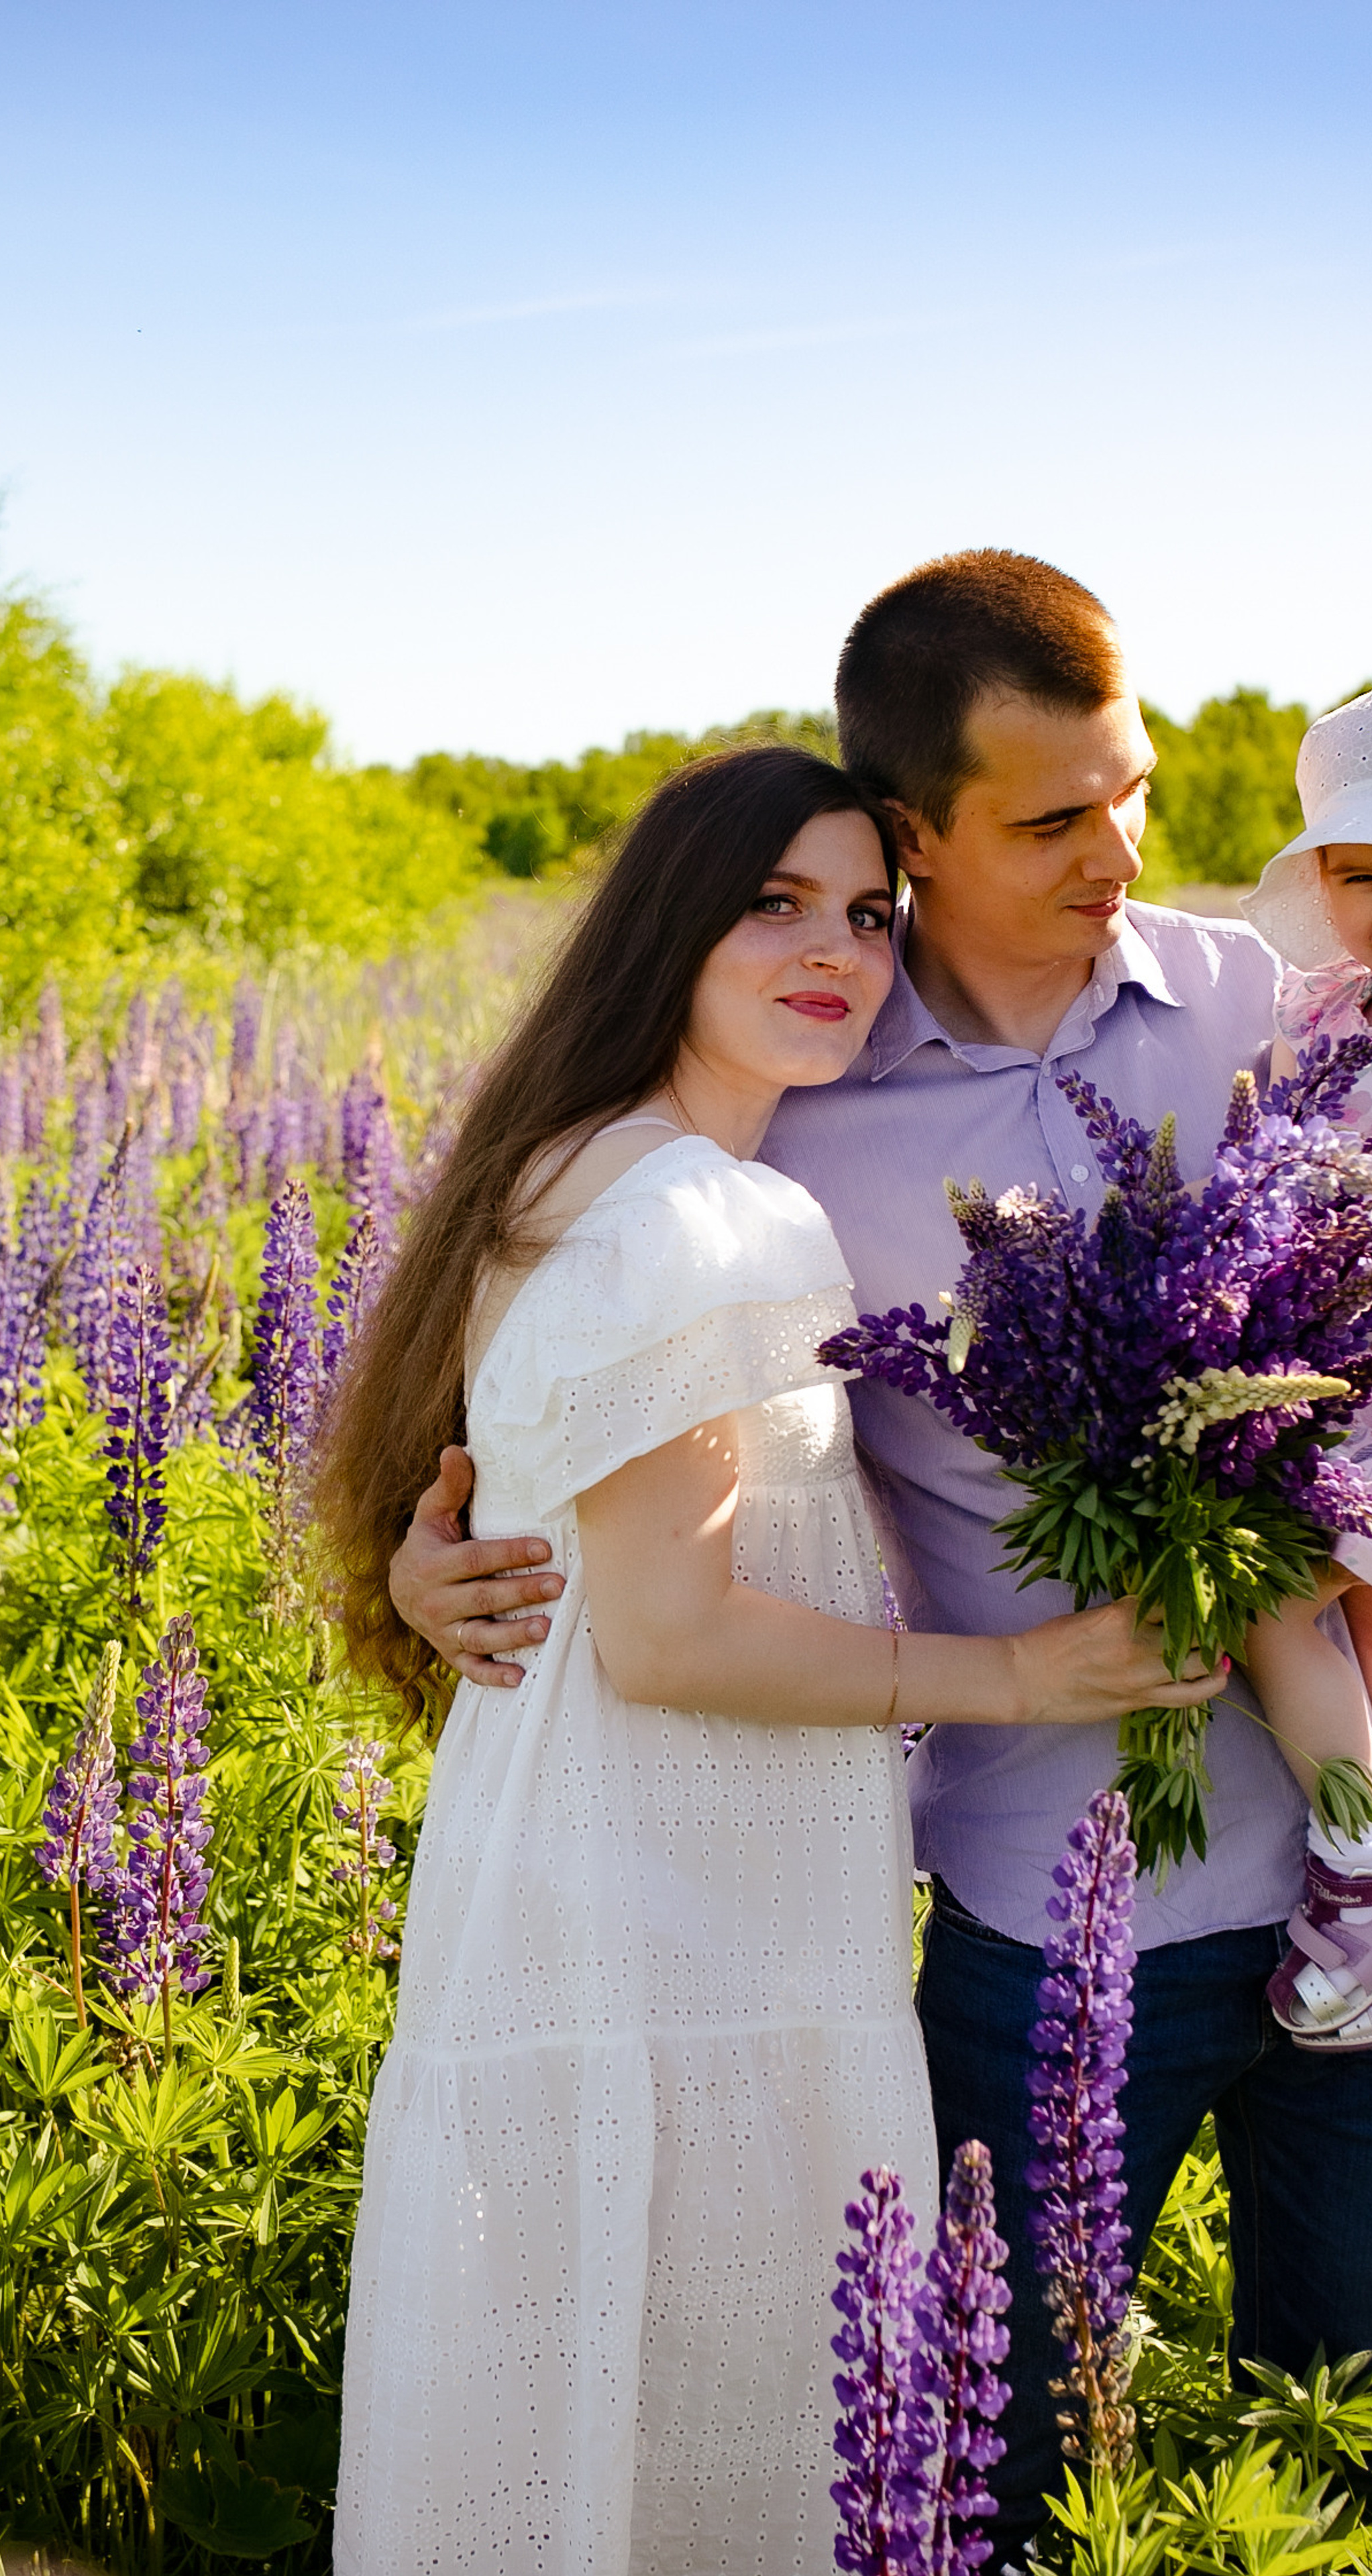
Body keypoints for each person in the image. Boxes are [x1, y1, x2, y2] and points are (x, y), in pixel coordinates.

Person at [391, 554, 1372, 2556]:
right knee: (986, 2485)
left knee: (1341, 2458)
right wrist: (432, 1563)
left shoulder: (1262, 1012)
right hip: (1032, 1903)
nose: (1118, 846)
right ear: (918, 831)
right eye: (1050, 816)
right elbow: (589, 1365)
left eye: (1134, 789)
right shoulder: (789, 1097)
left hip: (1348, 1864)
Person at [317, 743, 1208, 2576]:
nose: (837, 951)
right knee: (721, 2433)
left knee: (596, 2425)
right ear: (672, 924)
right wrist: (1025, 1678)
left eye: (871, 915)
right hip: (677, 1900)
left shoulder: (581, 1164)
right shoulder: (697, 1217)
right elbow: (669, 1633)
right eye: (774, 904)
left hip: (584, 1872)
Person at [1235, 691, 1372, 2049]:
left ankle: (1354, 1886)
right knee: (1291, 1610)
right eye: (1354, 876)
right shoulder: (1324, 1017)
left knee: (1282, 1597)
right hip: (1327, 1379)